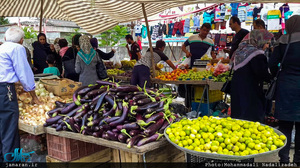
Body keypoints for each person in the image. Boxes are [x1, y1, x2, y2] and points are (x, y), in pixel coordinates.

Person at [0, 27, 40, 162]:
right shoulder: (17, 48)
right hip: (5, 91)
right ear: (22, 41)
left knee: (1, 127)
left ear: (5, 38)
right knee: (9, 128)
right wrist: (34, 97)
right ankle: (10, 161)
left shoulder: (1, 48)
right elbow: (25, 74)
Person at [269, 15, 300, 164]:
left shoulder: (283, 40)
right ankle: (298, 159)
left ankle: (284, 159)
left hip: (286, 87)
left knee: (285, 125)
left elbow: (272, 64)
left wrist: (278, 74)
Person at [230, 29, 273, 123]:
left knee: (238, 117)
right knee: (250, 119)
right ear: (260, 41)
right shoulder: (257, 55)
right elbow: (262, 73)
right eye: (266, 43)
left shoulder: (241, 50)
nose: (267, 46)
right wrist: (273, 78)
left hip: (237, 88)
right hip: (250, 90)